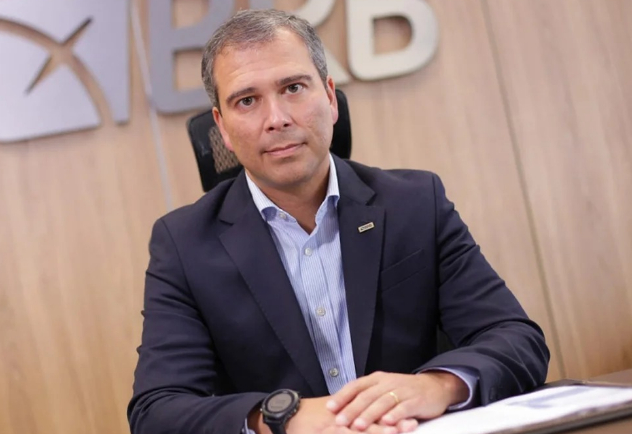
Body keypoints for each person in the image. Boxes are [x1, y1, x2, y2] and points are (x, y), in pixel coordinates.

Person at [128, 9, 549, 434]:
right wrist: (283, 417)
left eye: (293, 88)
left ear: (330, 98)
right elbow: (156, 411)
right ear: (222, 127)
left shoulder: (415, 204)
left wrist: (438, 386)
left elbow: (515, 338)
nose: (277, 118)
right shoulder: (184, 246)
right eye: (247, 101)